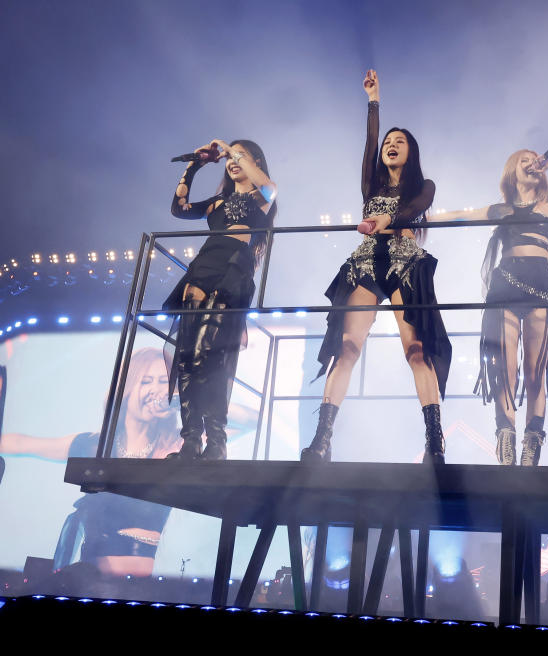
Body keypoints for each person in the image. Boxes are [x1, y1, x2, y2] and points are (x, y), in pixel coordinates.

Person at [302, 69, 450, 464]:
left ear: (411, 151)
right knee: (346, 348)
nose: (390, 145)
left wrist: (388, 220)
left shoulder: (424, 186)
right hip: (368, 262)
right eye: (388, 141)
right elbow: (369, 140)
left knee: (416, 351)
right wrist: (374, 101)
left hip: (404, 264)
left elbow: (415, 209)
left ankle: (435, 443)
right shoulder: (371, 183)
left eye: (399, 141)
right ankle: (322, 440)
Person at [432, 150, 548, 465]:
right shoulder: (501, 209)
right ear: (512, 169)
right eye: (524, 158)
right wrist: (411, 220)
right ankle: (505, 437)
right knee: (505, 371)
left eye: (535, 158)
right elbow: (458, 215)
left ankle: (532, 441)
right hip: (505, 288)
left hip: (540, 287)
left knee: (537, 372)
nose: (531, 161)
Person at [0, 348, 179, 576]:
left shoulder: (174, 445)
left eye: (164, 382)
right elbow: (20, 443)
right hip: (89, 582)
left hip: (136, 589)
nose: (156, 390)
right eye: (146, 381)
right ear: (128, 388)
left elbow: (239, 421)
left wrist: (180, 398)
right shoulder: (94, 445)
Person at [164, 138, 277, 460]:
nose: (232, 160)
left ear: (255, 162)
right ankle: (190, 441)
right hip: (202, 268)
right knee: (186, 357)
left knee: (207, 357)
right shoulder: (216, 203)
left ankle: (216, 440)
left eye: (241, 156)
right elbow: (179, 209)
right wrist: (196, 163)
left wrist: (229, 147)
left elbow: (269, 186)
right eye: (228, 158)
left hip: (233, 271)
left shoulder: (261, 197)